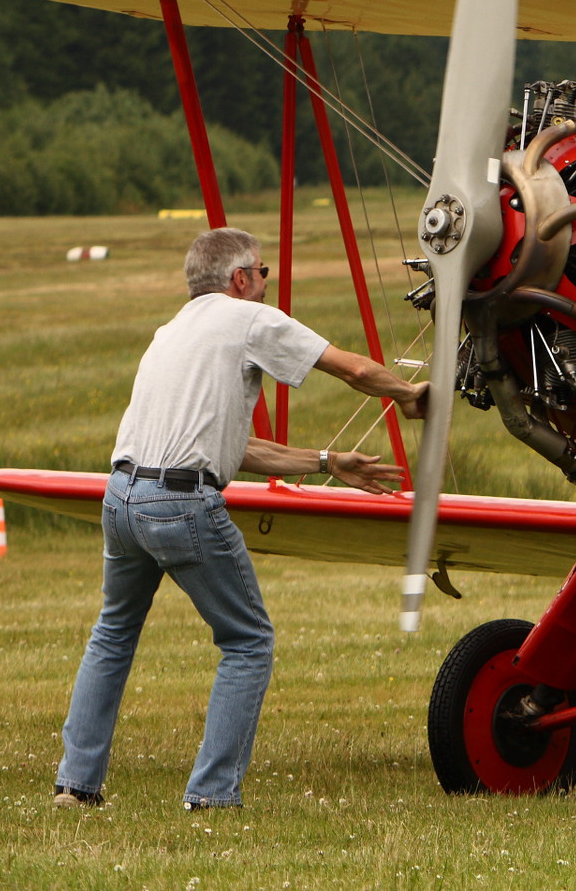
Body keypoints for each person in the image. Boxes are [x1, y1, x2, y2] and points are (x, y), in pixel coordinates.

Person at [53, 227, 423, 812]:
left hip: (120, 498)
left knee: (113, 634)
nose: (266, 283)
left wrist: (329, 462)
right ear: (240, 278)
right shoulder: (248, 319)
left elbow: (232, 447)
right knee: (249, 642)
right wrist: (406, 393)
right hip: (180, 503)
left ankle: (75, 785)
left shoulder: (169, 333)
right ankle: (211, 796)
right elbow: (350, 369)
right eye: (263, 273)